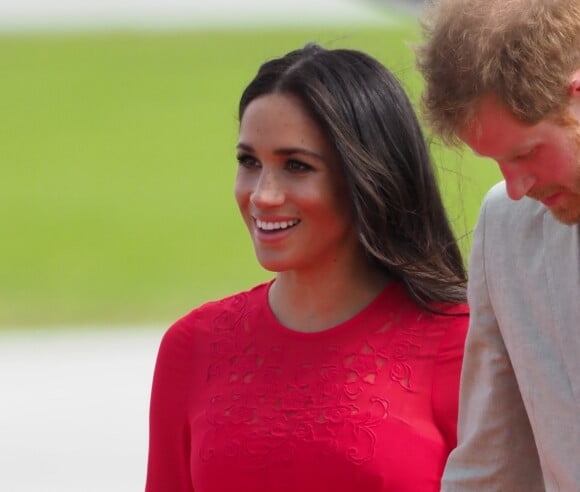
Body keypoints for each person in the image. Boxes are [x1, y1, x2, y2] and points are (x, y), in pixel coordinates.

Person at [145, 43, 468, 492]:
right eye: (249, 162)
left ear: (366, 177)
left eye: (296, 166)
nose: (263, 195)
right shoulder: (191, 346)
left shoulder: (462, 342)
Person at [416, 0, 580, 491]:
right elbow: (491, 466)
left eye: (526, 153)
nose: (516, 188)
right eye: (497, 163)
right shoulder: (506, 227)